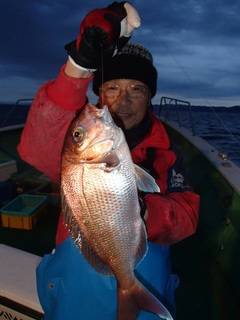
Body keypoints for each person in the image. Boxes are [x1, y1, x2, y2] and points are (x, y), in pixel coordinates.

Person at [18, 2, 200, 319]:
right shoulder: (74, 142)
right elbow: (36, 147)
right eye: (112, 87)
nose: (123, 101)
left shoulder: (168, 151)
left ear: (150, 95)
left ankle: (132, 294)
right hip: (75, 292)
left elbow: (187, 216)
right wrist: (78, 66)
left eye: (137, 89)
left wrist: (145, 211)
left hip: (144, 273)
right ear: (98, 92)